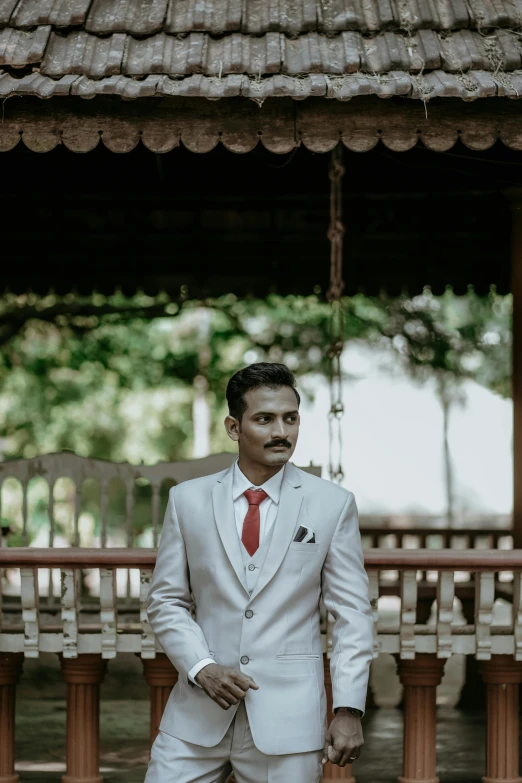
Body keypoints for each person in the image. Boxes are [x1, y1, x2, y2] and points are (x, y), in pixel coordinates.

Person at [145, 362, 373, 783]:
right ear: (234, 427)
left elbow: (352, 614)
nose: (281, 431)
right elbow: (166, 600)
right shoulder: (187, 500)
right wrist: (202, 667)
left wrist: (348, 709)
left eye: (290, 418)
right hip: (196, 716)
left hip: (289, 720)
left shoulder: (332, 503)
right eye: (264, 419)